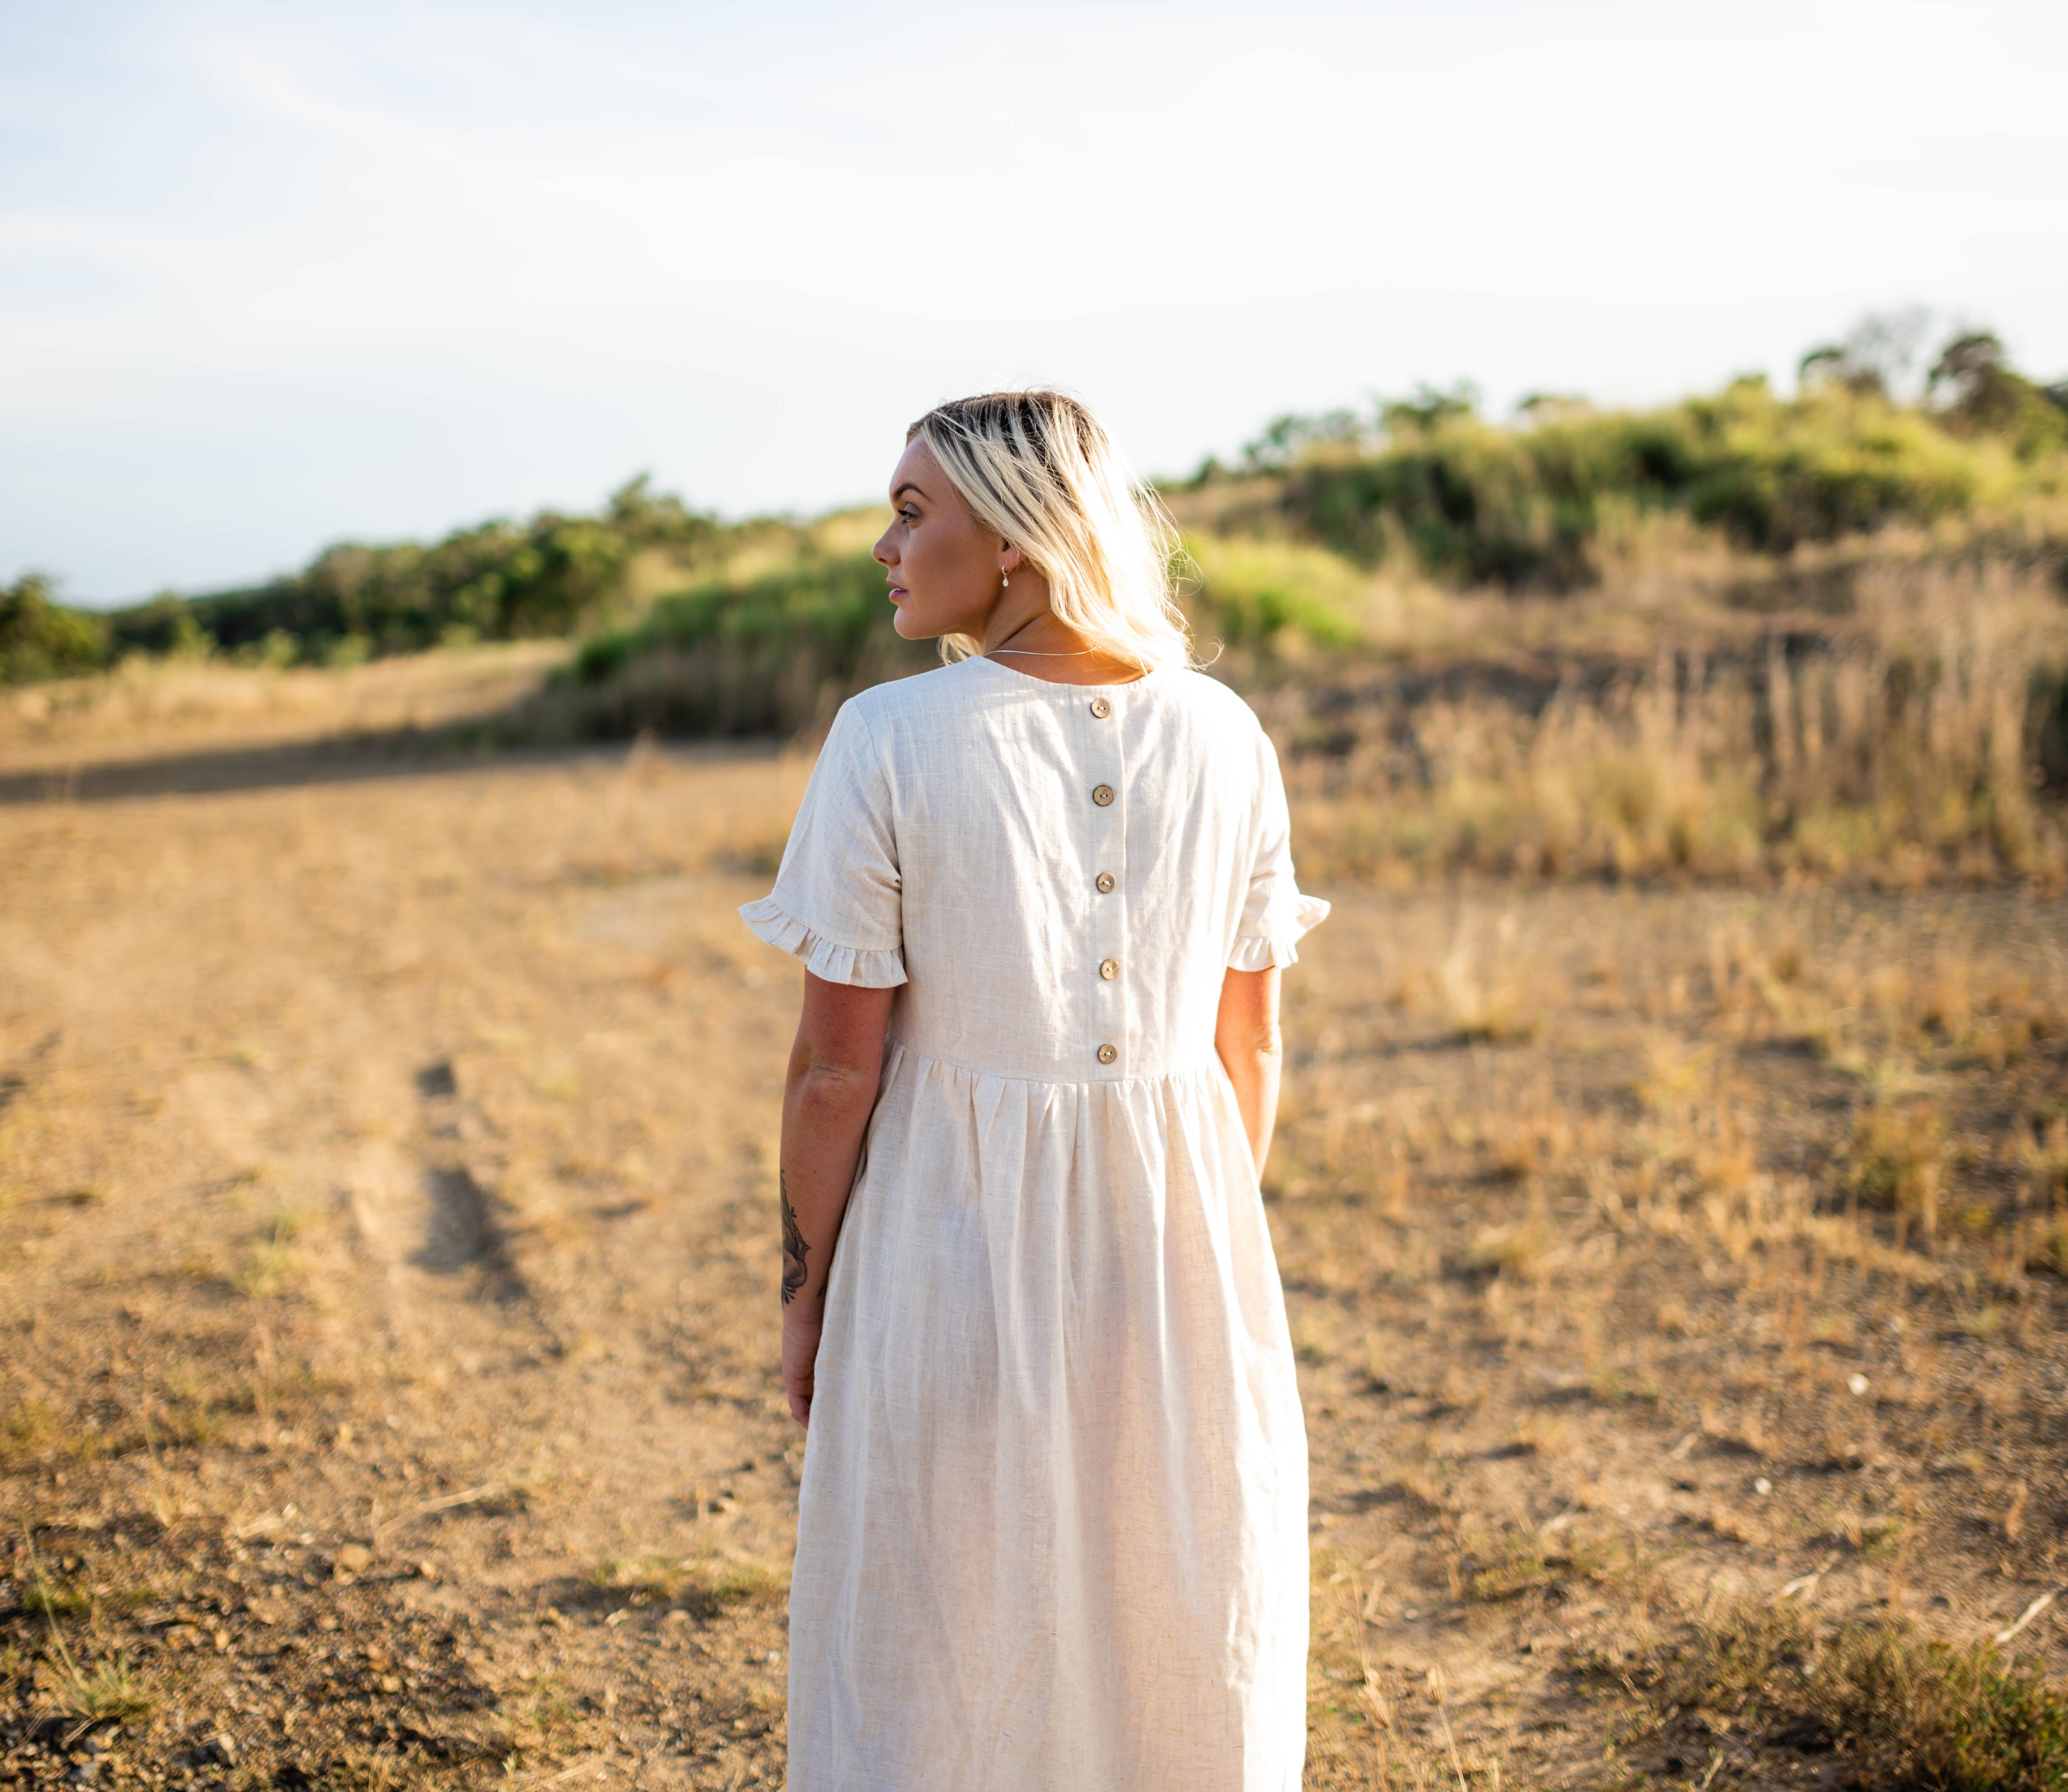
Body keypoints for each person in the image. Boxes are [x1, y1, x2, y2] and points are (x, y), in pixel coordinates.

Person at [739, 390, 1328, 1791]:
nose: (882, 545)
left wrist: (805, 1289)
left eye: (908, 509)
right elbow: (1251, 1049)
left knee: (936, 1625)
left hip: (946, 1241)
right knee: (1173, 1616)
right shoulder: (1229, 732)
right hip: (1186, 1246)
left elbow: (836, 1070)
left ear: (1006, 540)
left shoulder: (886, 740)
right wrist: (1193, 1244)